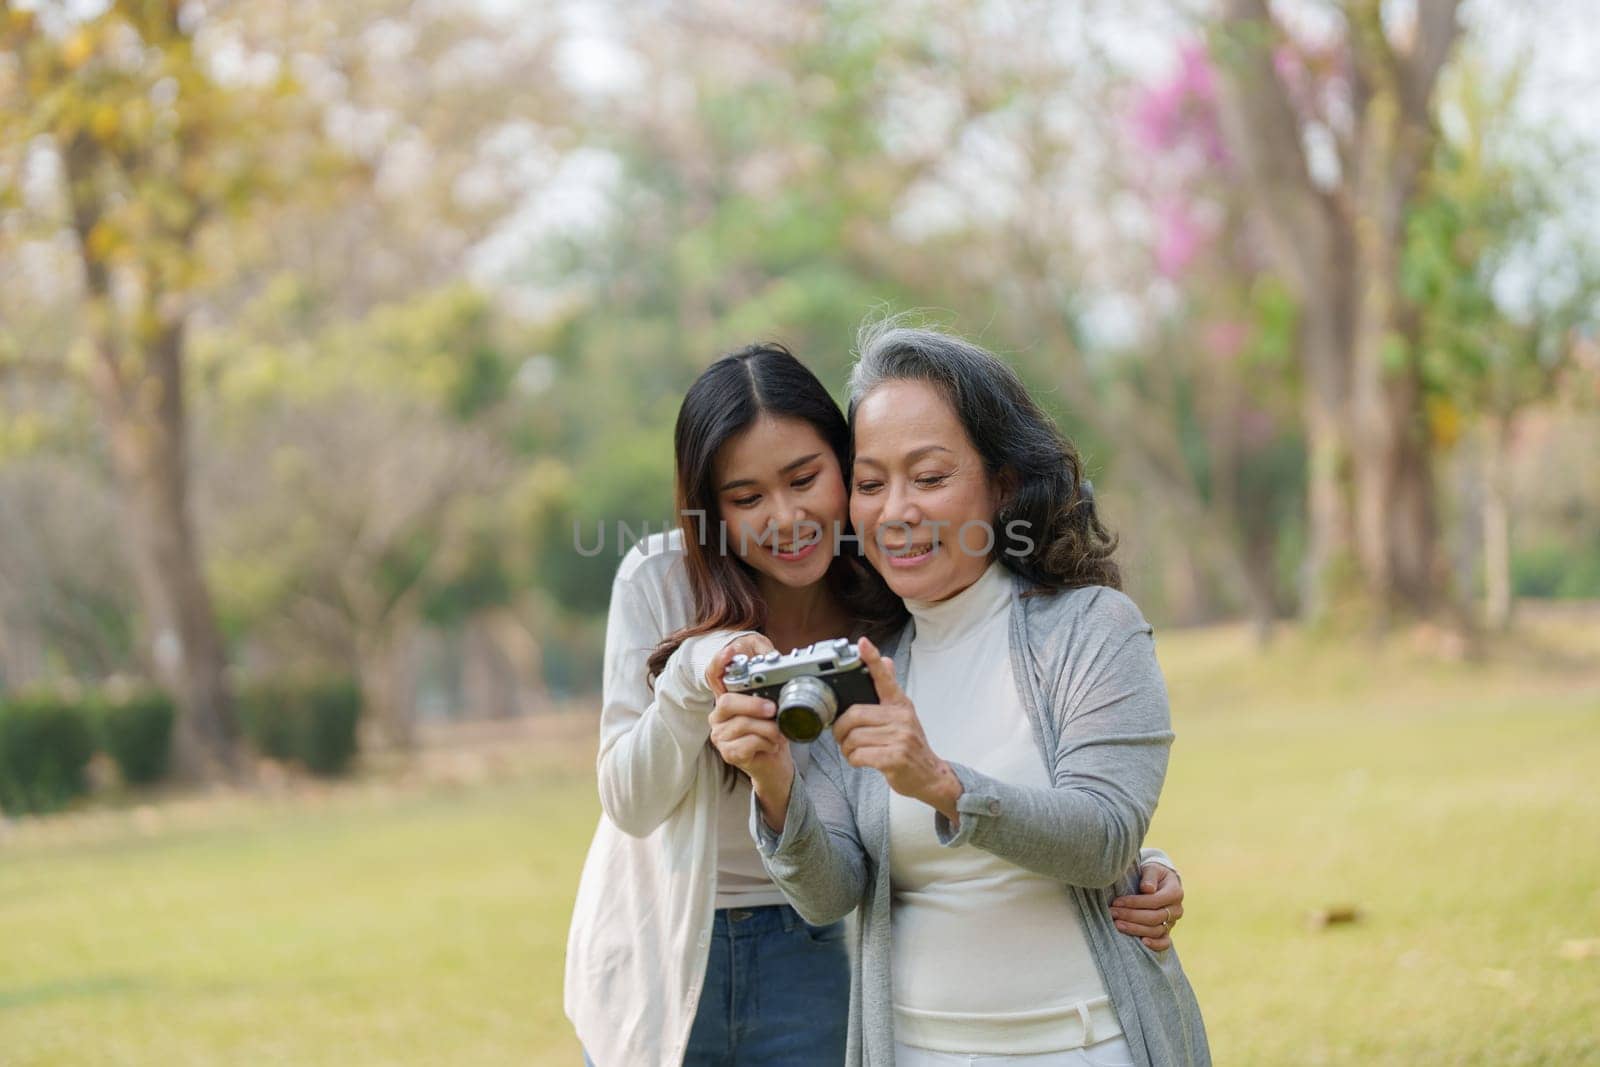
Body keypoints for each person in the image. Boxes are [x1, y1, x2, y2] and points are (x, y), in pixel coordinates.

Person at [566, 342, 1188, 1066]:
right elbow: (641, 807)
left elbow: (1051, 775)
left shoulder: (886, 604)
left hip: (830, 952)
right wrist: (708, 682)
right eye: (745, 498)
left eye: (808, 478)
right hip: (675, 929)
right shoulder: (670, 580)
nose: (788, 516)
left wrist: (1129, 858)